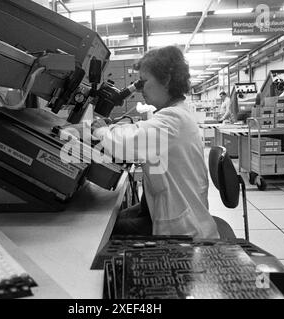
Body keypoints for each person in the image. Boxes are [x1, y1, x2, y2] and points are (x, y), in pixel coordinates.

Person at [91, 46, 219, 239]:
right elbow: (142, 132)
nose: (140, 89)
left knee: (101, 234)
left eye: (144, 82)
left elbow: (125, 142)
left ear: (166, 80)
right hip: (171, 211)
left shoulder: (173, 119)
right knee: (111, 221)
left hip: (183, 232)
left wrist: (98, 129)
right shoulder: (178, 113)